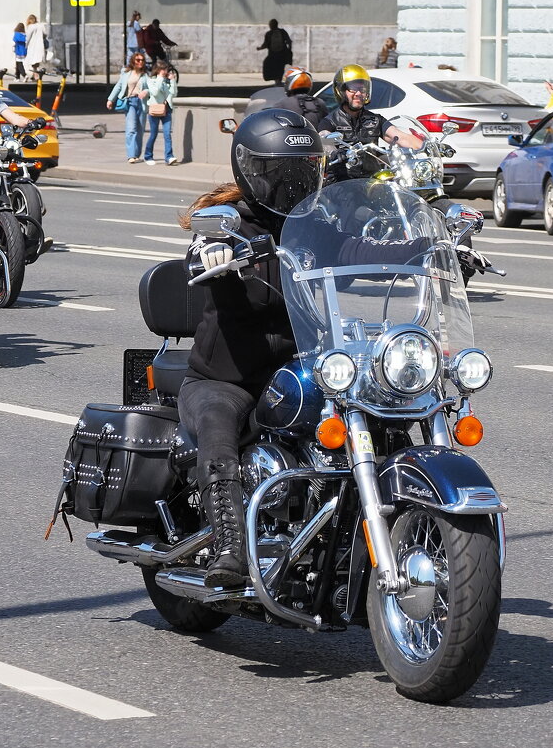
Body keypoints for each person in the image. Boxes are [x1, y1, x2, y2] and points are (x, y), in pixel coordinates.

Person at [176, 109, 430, 589]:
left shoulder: (312, 226)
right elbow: (198, 252)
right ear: (251, 173)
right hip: (227, 378)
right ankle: (229, 545)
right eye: (280, 174)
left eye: (301, 171)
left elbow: (359, 252)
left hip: (301, 365)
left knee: (375, 406)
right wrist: (211, 254)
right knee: (218, 429)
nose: (292, 184)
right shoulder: (231, 227)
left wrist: (426, 249)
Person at [318, 64, 423, 180]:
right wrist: (334, 153)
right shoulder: (330, 121)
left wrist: (426, 146)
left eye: (362, 89)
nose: (358, 93)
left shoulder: (375, 120)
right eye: (353, 88)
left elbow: (401, 137)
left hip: (371, 182)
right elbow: (323, 138)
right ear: (341, 91)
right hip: (341, 183)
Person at [105, 52, 149, 163]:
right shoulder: (126, 73)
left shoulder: (145, 75)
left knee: (140, 129)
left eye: (142, 60)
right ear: (133, 61)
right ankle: (131, 155)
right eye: (138, 60)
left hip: (142, 103)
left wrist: (145, 91)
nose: (140, 62)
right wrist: (111, 99)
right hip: (130, 102)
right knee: (131, 129)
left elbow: (152, 88)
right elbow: (118, 86)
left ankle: (137, 154)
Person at [142, 59, 179, 166]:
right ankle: (148, 156)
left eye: (165, 68)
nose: (164, 71)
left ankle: (169, 157)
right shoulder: (151, 80)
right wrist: (160, 79)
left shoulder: (166, 81)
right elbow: (155, 91)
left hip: (166, 109)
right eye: (162, 69)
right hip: (155, 109)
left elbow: (174, 93)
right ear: (157, 70)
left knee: (167, 134)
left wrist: (172, 82)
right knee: (153, 134)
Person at [257, 19, 293, 84]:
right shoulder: (282, 32)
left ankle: (277, 80)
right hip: (282, 54)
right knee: (280, 67)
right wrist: (289, 51)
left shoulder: (269, 33)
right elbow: (289, 41)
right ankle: (278, 80)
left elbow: (265, 44)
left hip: (273, 54)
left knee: (269, 65)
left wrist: (260, 48)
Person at [24, 14, 47, 81]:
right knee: (36, 61)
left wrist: (26, 45)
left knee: (33, 61)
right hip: (40, 46)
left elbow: (28, 37)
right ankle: (34, 74)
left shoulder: (31, 27)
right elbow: (45, 34)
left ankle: (36, 75)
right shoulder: (41, 26)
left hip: (33, 46)